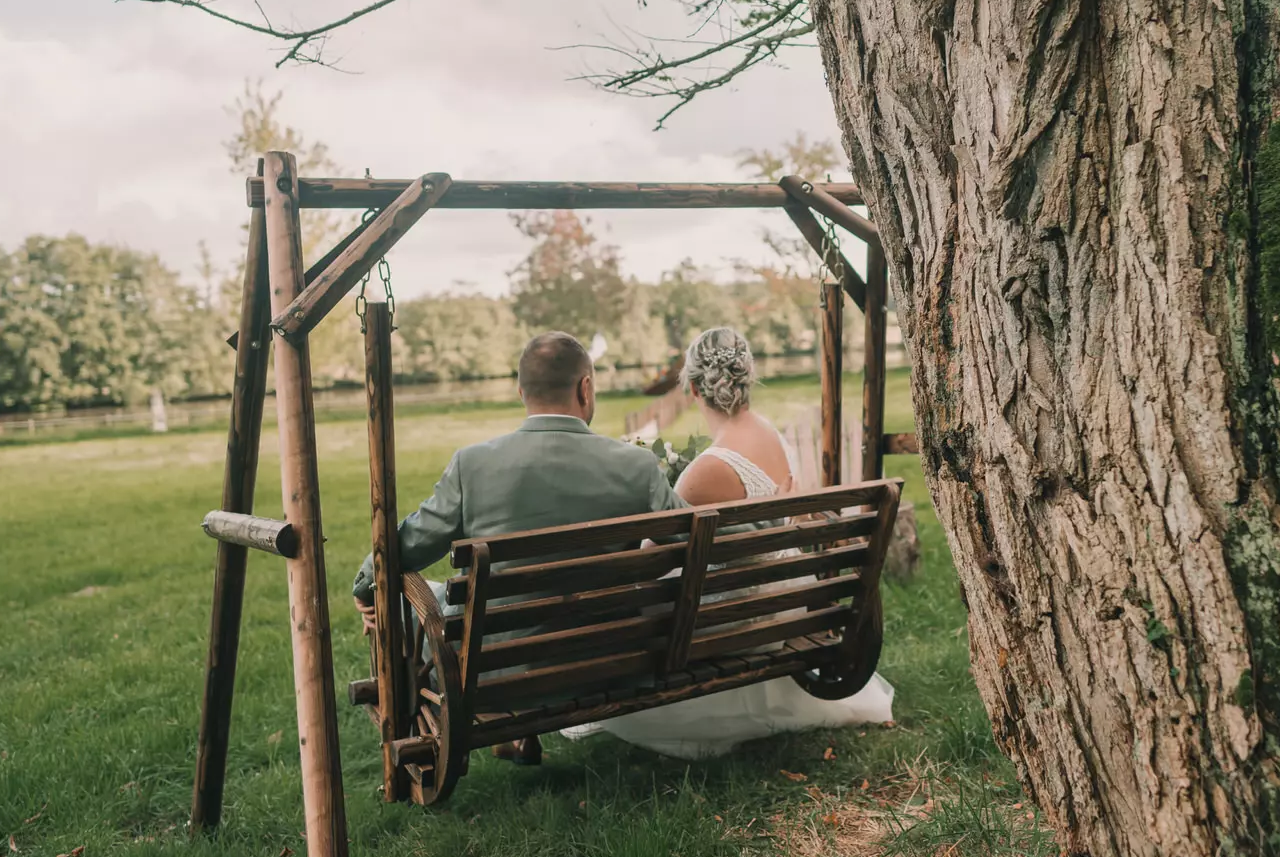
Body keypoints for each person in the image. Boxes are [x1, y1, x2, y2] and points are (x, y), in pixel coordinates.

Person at [352, 330, 685, 763]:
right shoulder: (637, 467)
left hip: (493, 674)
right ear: (586, 388)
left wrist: (365, 587)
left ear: (521, 391)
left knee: (402, 595)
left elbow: (404, 547)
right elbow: (696, 537)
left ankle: (506, 731)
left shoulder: (472, 465)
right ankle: (518, 737)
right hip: (608, 660)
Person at [563, 326, 896, 759]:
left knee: (626, 606)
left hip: (731, 619)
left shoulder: (705, 472)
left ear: (695, 389)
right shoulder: (770, 434)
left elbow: (649, 560)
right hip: (786, 602)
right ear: (745, 377)